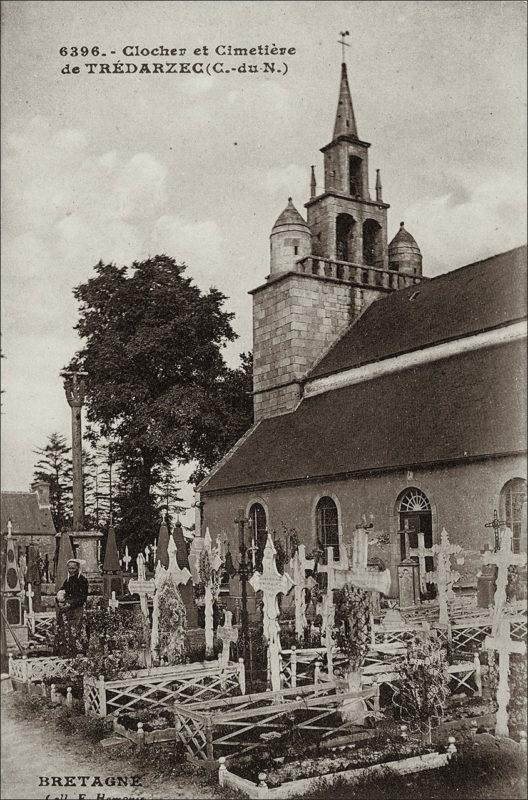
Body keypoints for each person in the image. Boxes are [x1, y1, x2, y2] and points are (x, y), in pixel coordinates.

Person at [56, 559, 88, 656]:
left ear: (77, 568)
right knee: (65, 629)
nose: (71, 570)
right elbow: (62, 591)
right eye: (69, 568)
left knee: (76, 629)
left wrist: (71, 604)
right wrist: (59, 601)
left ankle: (77, 651)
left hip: (76, 609)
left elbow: (82, 597)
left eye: (73, 568)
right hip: (67, 608)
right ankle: (66, 649)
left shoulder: (82, 580)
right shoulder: (68, 580)